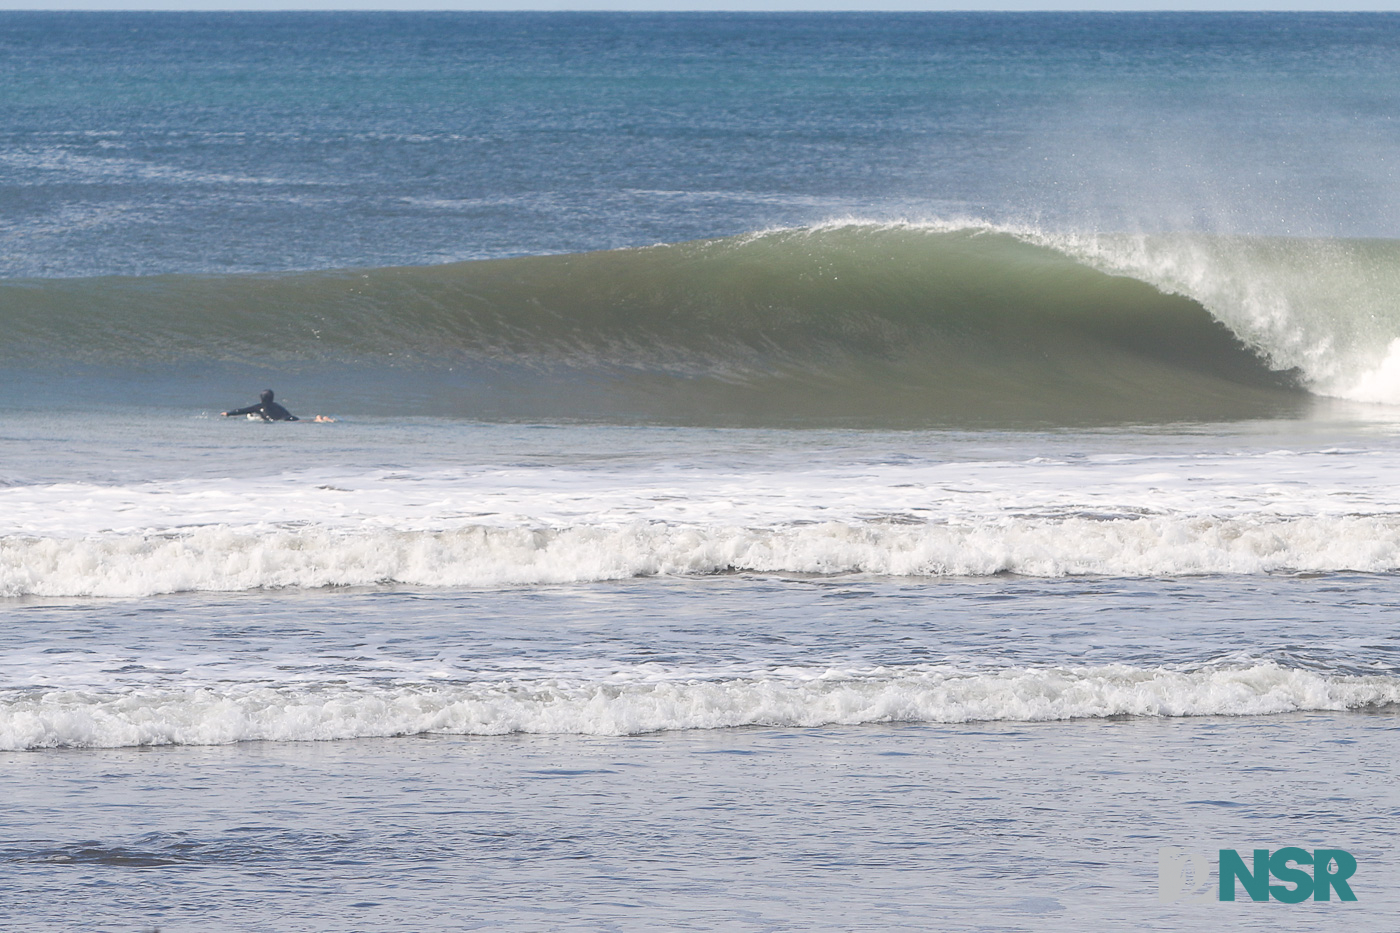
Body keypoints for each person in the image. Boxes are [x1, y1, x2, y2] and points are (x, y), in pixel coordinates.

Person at [222, 389, 299, 422]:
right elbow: (287, 414)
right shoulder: (278, 406)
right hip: (290, 418)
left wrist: (228, 413)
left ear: (261, 398)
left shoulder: (259, 407)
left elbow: (242, 411)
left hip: (277, 420)